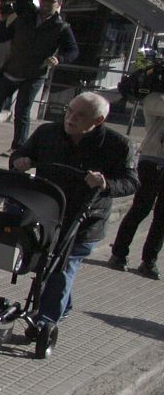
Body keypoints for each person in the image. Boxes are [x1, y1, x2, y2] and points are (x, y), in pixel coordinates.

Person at [10, 92, 137, 328]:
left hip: (86, 221)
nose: (71, 118)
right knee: (48, 265)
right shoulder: (48, 132)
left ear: (98, 121)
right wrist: (21, 161)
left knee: (62, 267)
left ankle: (45, 323)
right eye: (69, 111)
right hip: (48, 213)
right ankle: (63, 304)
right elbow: (22, 153)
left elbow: (131, 182)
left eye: (81, 116)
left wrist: (105, 184)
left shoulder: (118, 145)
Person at [0, 0, 79, 151]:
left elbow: (73, 51)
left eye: (50, 2)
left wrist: (59, 59)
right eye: (43, 0)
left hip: (34, 75)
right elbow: (2, 37)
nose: (45, 4)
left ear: (58, 5)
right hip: (11, 69)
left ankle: (18, 147)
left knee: (22, 111)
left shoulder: (61, 27)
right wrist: (2, 20)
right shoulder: (25, 19)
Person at [107, 71, 164, 279]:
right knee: (142, 207)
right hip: (153, 159)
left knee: (162, 216)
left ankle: (149, 261)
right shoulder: (155, 97)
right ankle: (119, 254)